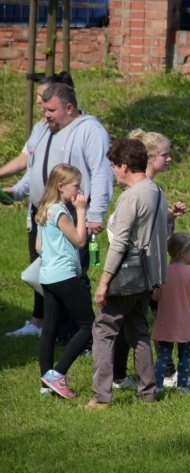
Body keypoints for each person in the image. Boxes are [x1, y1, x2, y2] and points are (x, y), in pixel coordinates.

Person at [86, 139, 169, 410]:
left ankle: (101, 397)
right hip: (149, 276)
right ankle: (148, 392)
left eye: (113, 165)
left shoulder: (130, 197)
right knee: (139, 332)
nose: (112, 170)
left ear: (124, 165)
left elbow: (119, 243)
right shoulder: (157, 190)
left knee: (103, 330)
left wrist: (103, 283)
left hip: (128, 277)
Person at [110, 129, 190, 391]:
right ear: (149, 157)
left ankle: (131, 374)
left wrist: (170, 217)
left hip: (145, 264)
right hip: (137, 266)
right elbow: (121, 227)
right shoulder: (140, 188)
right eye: (165, 154)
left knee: (137, 320)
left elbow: (149, 226)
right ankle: (134, 375)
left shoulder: (152, 189)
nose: (169, 159)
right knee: (142, 321)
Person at [1, 72, 82, 338]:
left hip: (61, 210)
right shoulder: (41, 128)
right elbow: (32, 165)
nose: (40, 102)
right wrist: (17, 190)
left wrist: (86, 210)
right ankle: (41, 323)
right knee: (39, 264)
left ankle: (61, 325)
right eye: (39, 98)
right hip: (40, 210)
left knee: (58, 268)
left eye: (45, 99)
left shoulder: (76, 130)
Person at [35, 164, 94, 399]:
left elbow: (39, 246)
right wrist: (81, 210)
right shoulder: (60, 211)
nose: (79, 190)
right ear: (61, 186)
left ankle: (45, 385)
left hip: (47, 277)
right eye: (76, 185)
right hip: (65, 276)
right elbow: (80, 241)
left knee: (48, 329)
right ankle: (57, 374)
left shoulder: (44, 208)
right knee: (89, 325)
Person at [151, 232, 190, 394]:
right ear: (183, 253)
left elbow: (154, 296)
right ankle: (182, 385)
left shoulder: (163, 272)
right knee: (185, 355)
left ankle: (158, 385)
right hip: (184, 322)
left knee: (163, 355)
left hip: (165, 321)